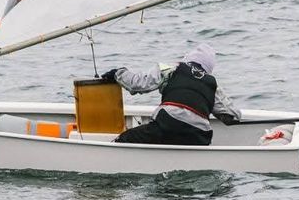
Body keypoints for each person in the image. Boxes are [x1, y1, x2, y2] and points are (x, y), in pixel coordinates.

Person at [101, 43, 243, 145]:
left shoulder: (171, 68)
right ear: (209, 69)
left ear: (187, 58)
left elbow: (139, 84)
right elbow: (232, 116)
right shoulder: (213, 84)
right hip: (199, 136)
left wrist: (118, 73)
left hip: (167, 125)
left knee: (124, 139)